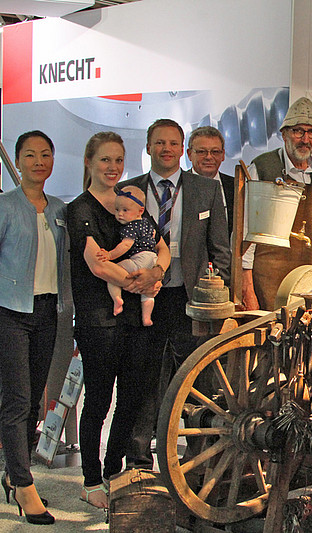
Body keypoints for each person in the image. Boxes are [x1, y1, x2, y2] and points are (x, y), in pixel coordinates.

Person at [68, 131, 170, 510]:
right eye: (105, 159)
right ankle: (90, 479)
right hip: (98, 319)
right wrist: (137, 281)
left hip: (135, 320)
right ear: (89, 162)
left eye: (118, 160)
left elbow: (162, 246)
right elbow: (97, 264)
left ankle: (114, 472)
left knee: (131, 400)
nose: (112, 167)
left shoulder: (131, 201)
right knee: (98, 400)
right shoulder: (80, 209)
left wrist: (157, 271)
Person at [122, 118, 230, 469]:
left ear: (182, 150)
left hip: (190, 298)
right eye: (159, 142)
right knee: (144, 379)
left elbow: (220, 249)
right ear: (148, 147)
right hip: (143, 297)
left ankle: (194, 461)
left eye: (172, 143)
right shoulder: (129, 190)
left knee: (196, 379)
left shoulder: (205, 189)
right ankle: (139, 460)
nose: (166, 149)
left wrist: (218, 294)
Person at [0, 131, 66, 525]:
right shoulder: (5, 206)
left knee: (32, 403)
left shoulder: (59, 209)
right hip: (10, 312)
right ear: (18, 161)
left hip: (47, 312)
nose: (38, 162)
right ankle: (25, 486)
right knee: (16, 400)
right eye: (29, 155)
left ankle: (15, 472)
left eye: (45, 154)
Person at [242, 97, 312, 310]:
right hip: (268, 281)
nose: (305, 139)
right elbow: (245, 234)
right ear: (284, 134)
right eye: (298, 131)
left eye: (311, 132)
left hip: (310, 282)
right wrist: (247, 288)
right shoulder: (263, 167)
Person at [95, 186, 166, 326]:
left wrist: (110, 255)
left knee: (113, 273)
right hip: (153, 258)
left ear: (140, 210)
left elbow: (125, 245)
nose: (120, 214)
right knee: (148, 291)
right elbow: (155, 238)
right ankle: (147, 317)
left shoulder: (132, 227)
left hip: (140, 258)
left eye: (125, 210)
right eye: (117, 210)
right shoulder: (147, 223)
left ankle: (117, 299)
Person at [187, 126, 234, 237]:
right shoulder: (178, 185)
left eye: (215, 152)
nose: (209, 157)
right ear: (189, 154)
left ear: (223, 155)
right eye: (202, 152)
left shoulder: (237, 187)